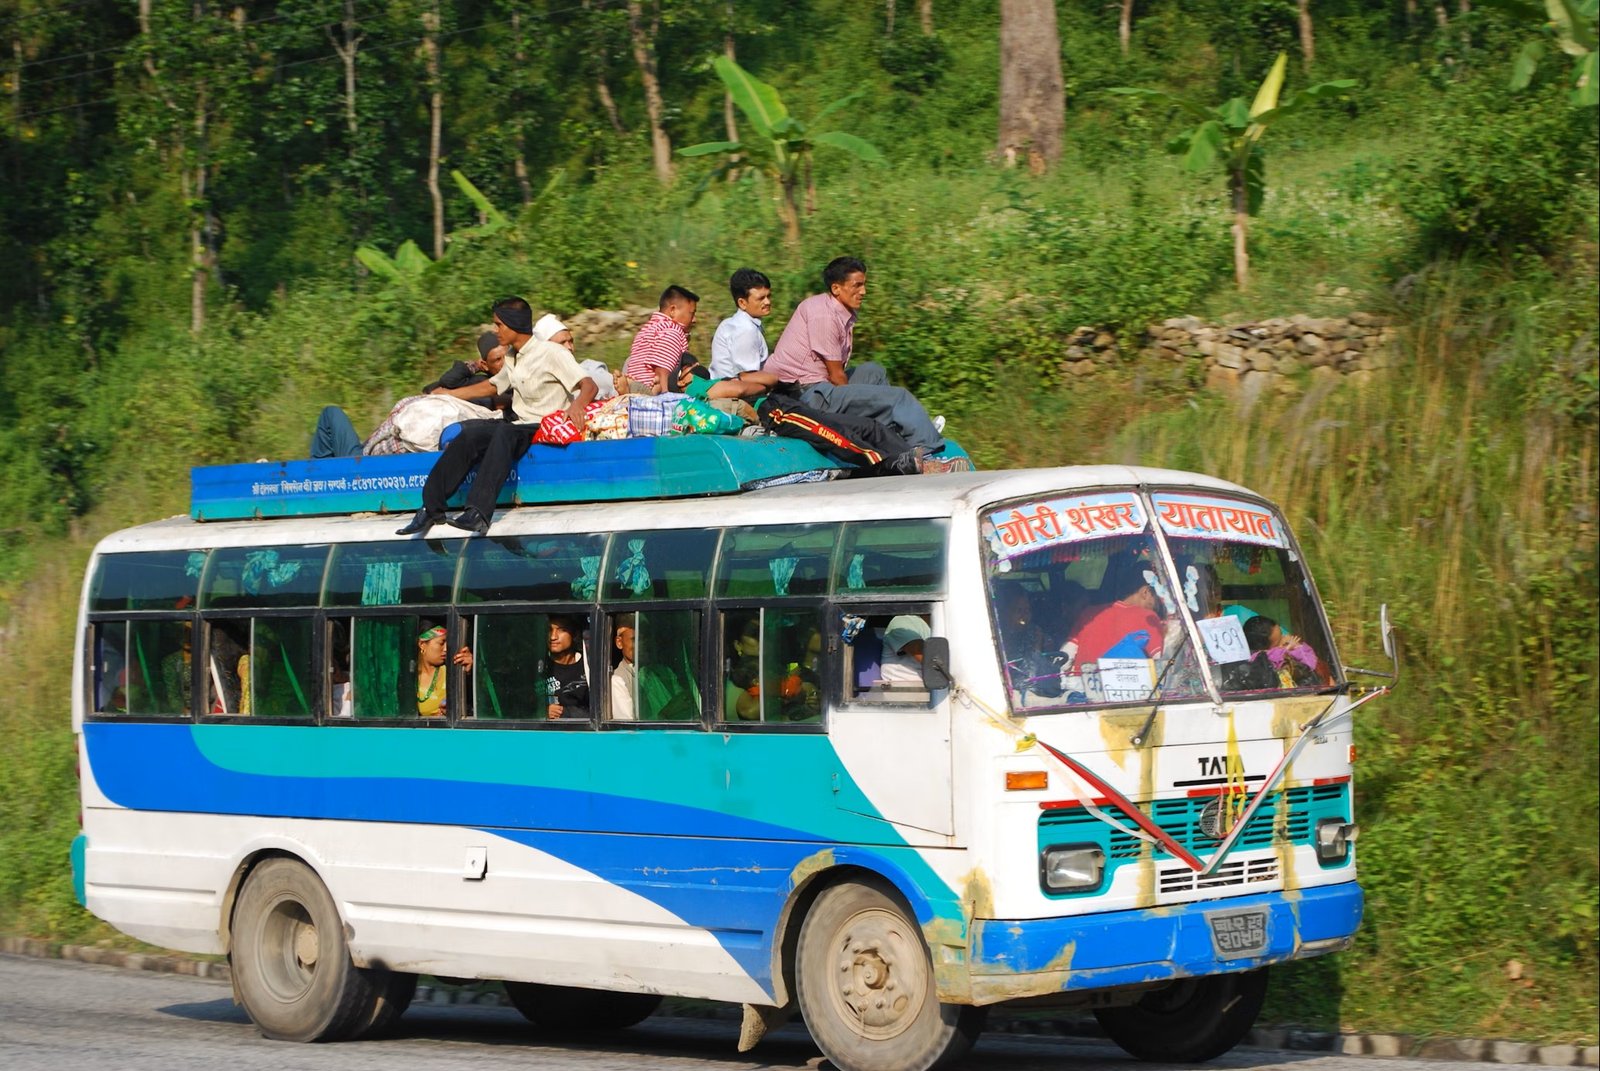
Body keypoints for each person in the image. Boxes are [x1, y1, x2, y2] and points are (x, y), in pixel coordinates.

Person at [396, 298, 597, 537]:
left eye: (499, 325)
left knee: (504, 431)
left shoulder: (551, 353)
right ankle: (431, 507)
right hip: (518, 425)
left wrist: (577, 406)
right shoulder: (513, 356)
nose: (495, 330)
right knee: (469, 435)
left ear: (514, 325)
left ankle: (478, 513)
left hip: (542, 425)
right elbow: (492, 387)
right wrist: (447, 395)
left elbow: (589, 385)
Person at [763, 257, 946, 453]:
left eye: (864, 285)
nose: (863, 292)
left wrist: (865, 398)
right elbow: (837, 376)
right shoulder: (823, 316)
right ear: (836, 289)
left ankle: (894, 432)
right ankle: (926, 448)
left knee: (874, 372)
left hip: (820, 384)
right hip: (808, 394)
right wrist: (860, 401)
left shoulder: (837, 308)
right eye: (857, 286)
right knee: (898, 397)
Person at [1071, 556, 1166, 666]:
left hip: (1082, 682)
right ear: (1146, 592)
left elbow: (1065, 657)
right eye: (1159, 598)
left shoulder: (1089, 613)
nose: (1159, 606)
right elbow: (1163, 661)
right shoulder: (1148, 617)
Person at [620, 286, 699, 395]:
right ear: (672, 310)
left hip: (636, 379)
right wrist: (665, 395)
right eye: (692, 313)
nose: (694, 319)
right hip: (650, 387)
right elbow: (662, 368)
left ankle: (630, 386)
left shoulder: (648, 328)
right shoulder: (673, 332)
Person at [709, 268, 772, 379]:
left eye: (768, 296)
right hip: (735, 392)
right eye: (761, 298)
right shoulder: (746, 329)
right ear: (742, 303)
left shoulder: (732, 323)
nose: (767, 302)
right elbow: (748, 377)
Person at [424, 330, 509, 406]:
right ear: (485, 365)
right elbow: (446, 382)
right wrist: (475, 365)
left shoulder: (518, 372)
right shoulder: (479, 381)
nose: (505, 362)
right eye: (497, 360)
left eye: (508, 356)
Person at [415, 624, 473, 718]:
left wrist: (470, 671)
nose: (446, 649)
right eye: (441, 643)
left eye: (447, 644)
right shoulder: (407, 676)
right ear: (422, 645)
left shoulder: (454, 671)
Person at [541, 615, 589, 720]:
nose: (553, 637)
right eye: (549, 630)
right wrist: (541, 712)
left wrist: (564, 713)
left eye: (561, 630)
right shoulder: (539, 666)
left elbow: (597, 713)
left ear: (574, 634)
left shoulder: (588, 665)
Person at [879, 614, 930, 685]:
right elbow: (929, 659)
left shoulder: (941, 624)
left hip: (929, 687)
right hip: (902, 688)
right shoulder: (902, 621)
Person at [610, 615, 637, 721]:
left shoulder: (664, 671)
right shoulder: (617, 680)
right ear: (619, 642)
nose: (641, 643)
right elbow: (628, 726)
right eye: (634, 639)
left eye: (645, 637)